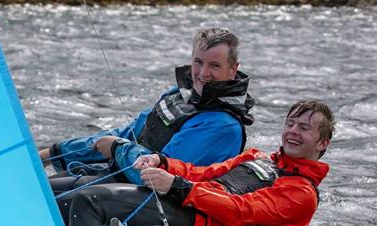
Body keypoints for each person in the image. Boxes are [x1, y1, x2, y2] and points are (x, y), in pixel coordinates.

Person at [64, 100, 334, 226]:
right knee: (65, 199)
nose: (293, 132)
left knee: (89, 201)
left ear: (322, 143)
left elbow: (239, 210)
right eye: (291, 124)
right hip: (185, 206)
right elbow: (202, 173)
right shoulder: (257, 157)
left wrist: (177, 187)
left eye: (305, 128)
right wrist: (163, 163)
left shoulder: (302, 195)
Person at [39, 28, 255, 191]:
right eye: (198, 62)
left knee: (53, 196)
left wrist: (117, 149)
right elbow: (129, 133)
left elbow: (159, 174)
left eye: (215, 65)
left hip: (160, 204)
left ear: (232, 70)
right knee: (39, 186)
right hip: (122, 177)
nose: (203, 73)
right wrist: (54, 153)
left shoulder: (222, 126)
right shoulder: (177, 96)